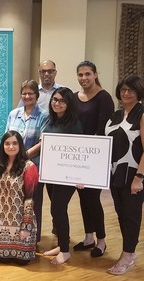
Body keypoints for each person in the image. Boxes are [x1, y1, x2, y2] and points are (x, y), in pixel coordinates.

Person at [73, 61, 114, 257]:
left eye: (87, 74)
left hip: (94, 159)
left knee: (92, 199)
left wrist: (90, 159)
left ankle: (102, 241)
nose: (84, 78)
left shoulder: (104, 98)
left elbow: (103, 130)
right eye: (80, 75)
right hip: (77, 158)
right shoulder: (73, 97)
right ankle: (89, 237)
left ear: (95, 75)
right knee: (82, 198)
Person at [105, 75, 144, 275]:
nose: (126, 93)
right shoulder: (115, 115)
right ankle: (129, 251)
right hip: (114, 174)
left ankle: (128, 255)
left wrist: (139, 177)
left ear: (138, 92)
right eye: (123, 90)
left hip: (133, 176)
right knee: (122, 214)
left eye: (130, 90)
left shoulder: (142, 114)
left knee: (131, 216)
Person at [42, 87, 83, 264]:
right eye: (55, 99)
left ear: (68, 104)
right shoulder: (51, 121)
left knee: (58, 208)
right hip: (51, 173)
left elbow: (80, 152)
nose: (57, 103)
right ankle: (62, 243)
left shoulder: (74, 124)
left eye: (61, 101)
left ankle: (65, 251)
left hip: (67, 175)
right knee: (56, 209)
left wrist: (79, 177)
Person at [6, 80, 49, 243]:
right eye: (24, 93)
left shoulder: (44, 115)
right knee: (16, 201)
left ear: (36, 96)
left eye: (31, 93)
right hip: (13, 167)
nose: (27, 96)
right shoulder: (13, 114)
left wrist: (22, 157)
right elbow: (7, 138)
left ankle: (32, 238)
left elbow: (42, 142)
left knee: (33, 203)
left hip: (33, 167)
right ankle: (15, 234)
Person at [0, 130, 38, 265]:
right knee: (2, 260)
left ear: (20, 145)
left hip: (21, 222)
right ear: (3, 146)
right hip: (0, 223)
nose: (11, 147)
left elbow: (30, 199)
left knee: (22, 261)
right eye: (7, 143)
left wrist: (26, 227)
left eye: (14, 143)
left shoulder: (29, 167)